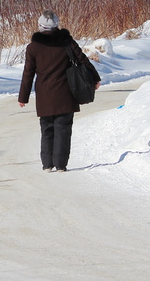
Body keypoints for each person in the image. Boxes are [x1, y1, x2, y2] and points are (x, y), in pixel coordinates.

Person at [18, 10, 100, 172]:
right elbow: (83, 61)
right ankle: (61, 165)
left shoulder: (33, 48)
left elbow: (28, 73)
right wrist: (95, 78)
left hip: (44, 95)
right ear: (56, 25)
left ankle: (47, 164)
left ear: (40, 26)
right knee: (63, 129)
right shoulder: (67, 43)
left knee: (47, 128)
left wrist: (23, 97)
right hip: (66, 94)